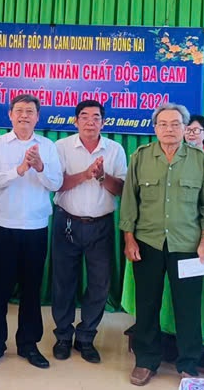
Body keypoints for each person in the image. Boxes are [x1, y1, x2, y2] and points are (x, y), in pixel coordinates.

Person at [120, 103, 204, 386]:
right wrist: (129, 239)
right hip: (147, 242)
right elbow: (129, 201)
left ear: (185, 128)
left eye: (176, 124)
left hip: (188, 246)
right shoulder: (141, 157)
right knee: (147, 305)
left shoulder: (200, 160)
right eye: (163, 124)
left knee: (188, 307)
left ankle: (188, 364)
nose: (169, 129)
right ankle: (145, 361)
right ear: (155, 128)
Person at [0, 94, 63, 370]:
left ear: (37, 117)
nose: (24, 116)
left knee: (31, 290)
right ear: (10, 115)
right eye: (19, 111)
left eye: (30, 111)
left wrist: (39, 167)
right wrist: (19, 169)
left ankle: (29, 344)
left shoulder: (47, 146)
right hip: (2, 227)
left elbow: (56, 184)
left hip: (35, 229)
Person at [51, 100, 127, 363]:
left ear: (103, 123)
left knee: (99, 283)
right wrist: (85, 174)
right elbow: (55, 185)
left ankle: (86, 337)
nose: (90, 122)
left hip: (101, 225)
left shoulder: (115, 149)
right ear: (76, 121)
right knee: (63, 282)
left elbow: (122, 190)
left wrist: (103, 176)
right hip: (66, 222)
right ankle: (63, 336)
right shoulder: (61, 147)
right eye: (84, 117)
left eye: (96, 117)